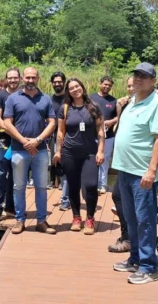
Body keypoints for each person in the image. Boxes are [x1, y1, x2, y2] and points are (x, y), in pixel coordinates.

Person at [111, 62, 158, 285]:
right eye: (135, 75)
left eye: (143, 76)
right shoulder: (133, 101)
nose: (137, 79)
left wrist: (152, 171)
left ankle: (148, 267)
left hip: (142, 173)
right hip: (126, 169)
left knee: (145, 220)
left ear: (153, 81)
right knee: (131, 218)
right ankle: (135, 258)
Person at [3, 67, 57, 235]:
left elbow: (52, 123)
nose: (30, 80)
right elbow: (7, 123)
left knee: (41, 186)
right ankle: (20, 220)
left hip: (40, 150)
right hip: (19, 149)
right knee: (19, 186)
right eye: (27, 77)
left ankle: (41, 221)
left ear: (38, 79)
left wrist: (38, 140)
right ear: (22, 79)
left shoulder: (45, 99)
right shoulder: (13, 98)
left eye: (33, 77)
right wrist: (24, 141)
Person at [53, 78, 105, 235]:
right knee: (73, 186)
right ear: (68, 91)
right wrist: (57, 151)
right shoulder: (65, 108)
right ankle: (76, 217)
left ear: (82, 87)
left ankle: (90, 218)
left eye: (77, 86)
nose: (75, 89)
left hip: (89, 152)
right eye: (71, 88)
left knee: (90, 185)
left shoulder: (94, 107)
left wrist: (101, 150)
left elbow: (101, 131)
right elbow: (61, 131)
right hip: (69, 152)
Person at [0, 69, 20, 223]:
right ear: (6, 79)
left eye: (15, 78)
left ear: (19, 79)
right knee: (1, 175)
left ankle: (12, 207)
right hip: (2, 141)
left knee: (17, 176)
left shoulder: (24, 95)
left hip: (20, 142)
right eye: (10, 78)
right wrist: (15, 133)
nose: (13, 80)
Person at [109, 75, 135, 253]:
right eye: (129, 86)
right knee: (118, 196)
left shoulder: (152, 105)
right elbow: (119, 128)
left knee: (129, 200)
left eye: (135, 85)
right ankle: (128, 237)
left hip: (139, 164)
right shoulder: (128, 106)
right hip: (125, 163)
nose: (131, 89)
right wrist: (120, 108)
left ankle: (131, 240)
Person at [90, 76, 118, 194]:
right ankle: (91, 183)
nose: (107, 87)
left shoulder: (114, 101)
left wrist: (111, 122)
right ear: (100, 84)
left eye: (109, 85)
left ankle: (102, 185)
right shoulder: (91, 98)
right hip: (91, 134)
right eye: (105, 84)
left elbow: (119, 116)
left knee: (104, 160)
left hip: (108, 136)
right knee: (91, 159)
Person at [48, 72, 70, 212]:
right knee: (59, 168)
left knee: (68, 169)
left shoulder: (69, 99)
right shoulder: (49, 100)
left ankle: (66, 199)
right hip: (54, 137)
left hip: (71, 138)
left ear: (64, 82)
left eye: (59, 82)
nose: (57, 84)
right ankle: (65, 197)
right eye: (54, 82)